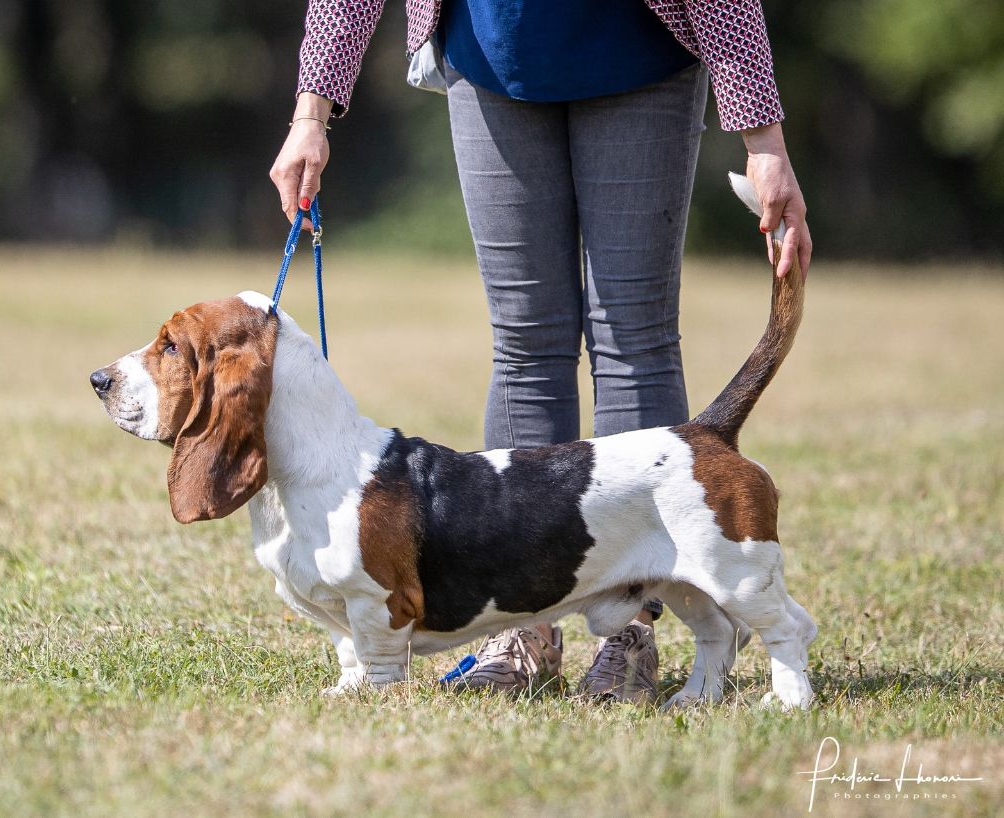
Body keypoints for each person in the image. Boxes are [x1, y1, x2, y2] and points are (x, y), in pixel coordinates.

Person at [270, 0, 812, 704]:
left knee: (633, 336)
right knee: (525, 342)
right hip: (492, 56)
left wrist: (763, 139)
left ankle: (630, 630)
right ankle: (522, 624)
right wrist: (311, 113)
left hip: (638, 51)